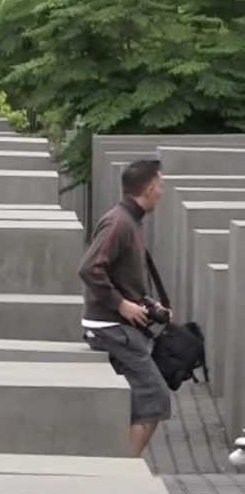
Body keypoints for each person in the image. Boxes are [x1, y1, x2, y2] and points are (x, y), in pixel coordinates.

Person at [78, 159, 171, 457]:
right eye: (161, 186)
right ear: (150, 188)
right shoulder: (119, 222)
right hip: (110, 329)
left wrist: (147, 303)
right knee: (155, 397)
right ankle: (126, 474)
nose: (162, 193)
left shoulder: (130, 220)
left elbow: (121, 275)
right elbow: (90, 268)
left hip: (118, 326)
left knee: (139, 400)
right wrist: (122, 305)